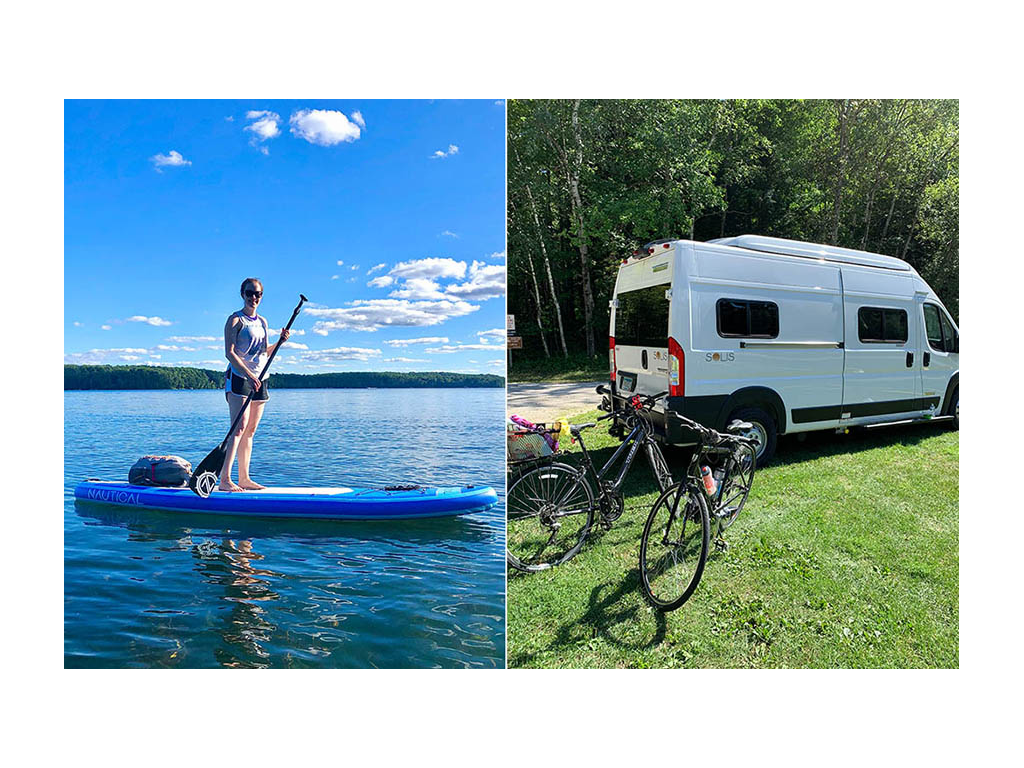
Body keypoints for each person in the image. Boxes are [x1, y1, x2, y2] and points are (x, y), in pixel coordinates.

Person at [220, 277, 290, 491]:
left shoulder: (263, 322)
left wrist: (280, 341)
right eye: (250, 293)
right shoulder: (235, 320)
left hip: (261, 379)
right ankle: (224, 480)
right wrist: (249, 374)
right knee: (238, 429)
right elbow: (230, 353)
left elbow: (264, 351)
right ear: (242, 294)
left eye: (257, 293)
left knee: (250, 431)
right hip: (240, 379)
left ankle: (244, 478)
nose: (253, 297)